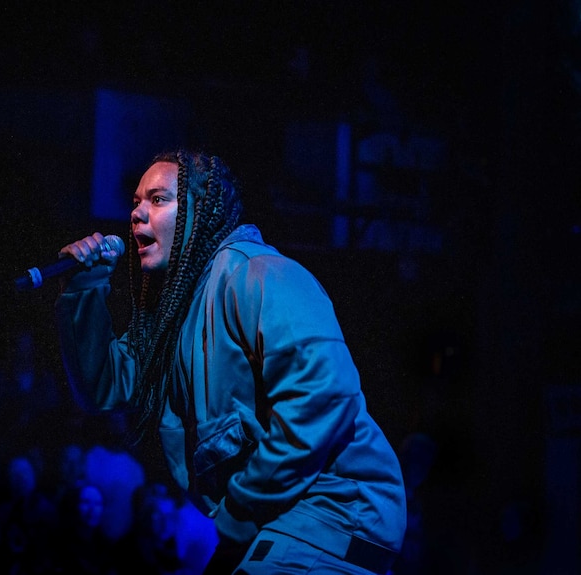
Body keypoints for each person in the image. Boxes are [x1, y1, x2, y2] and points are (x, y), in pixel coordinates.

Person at [53, 149, 406, 574]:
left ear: (199, 214)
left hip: (329, 511)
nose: (138, 214)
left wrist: (237, 514)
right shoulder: (175, 316)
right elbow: (103, 386)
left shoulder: (257, 273)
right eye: (135, 202)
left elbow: (324, 396)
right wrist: (86, 286)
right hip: (271, 524)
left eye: (159, 199)